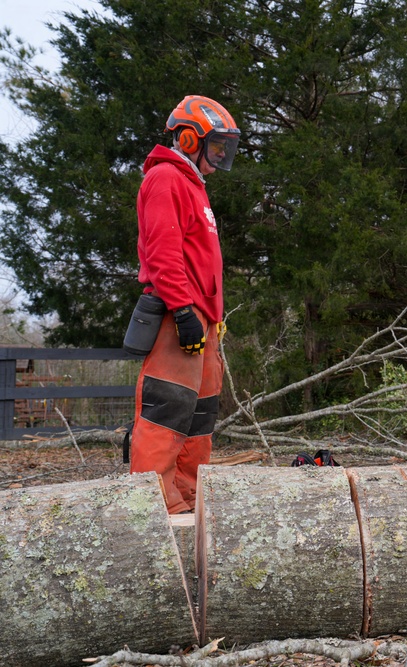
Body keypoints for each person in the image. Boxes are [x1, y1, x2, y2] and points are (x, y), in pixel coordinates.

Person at [129, 95, 240, 513]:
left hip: (203, 323)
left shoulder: (192, 184)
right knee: (167, 413)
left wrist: (207, 319)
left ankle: (189, 503)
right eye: (215, 146)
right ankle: (154, 508)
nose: (220, 155)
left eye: (224, 147)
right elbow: (163, 253)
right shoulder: (165, 179)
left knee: (199, 417)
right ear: (190, 138)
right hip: (181, 319)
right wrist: (182, 310)